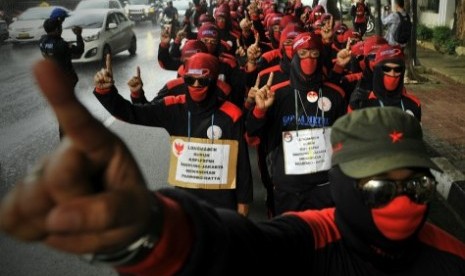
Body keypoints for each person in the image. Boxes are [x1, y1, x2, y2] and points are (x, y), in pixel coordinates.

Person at [2, 61, 465, 274]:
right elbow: (231, 249)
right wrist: (145, 230)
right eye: (379, 188)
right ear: (345, 183)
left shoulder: (452, 256)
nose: (401, 204)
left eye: (419, 188)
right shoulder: (311, 237)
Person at [94, 53, 253, 216]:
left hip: (223, 205)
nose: (197, 85)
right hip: (186, 204)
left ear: (213, 80)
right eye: (191, 80)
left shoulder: (232, 114)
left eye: (203, 80)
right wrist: (106, 93)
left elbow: (242, 167)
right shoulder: (173, 107)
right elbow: (132, 113)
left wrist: (243, 209)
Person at [39, 7, 84, 139]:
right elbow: (79, 50)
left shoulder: (42, 41)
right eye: (61, 25)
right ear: (57, 28)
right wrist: (79, 35)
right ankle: (67, 139)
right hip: (65, 81)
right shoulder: (61, 45)